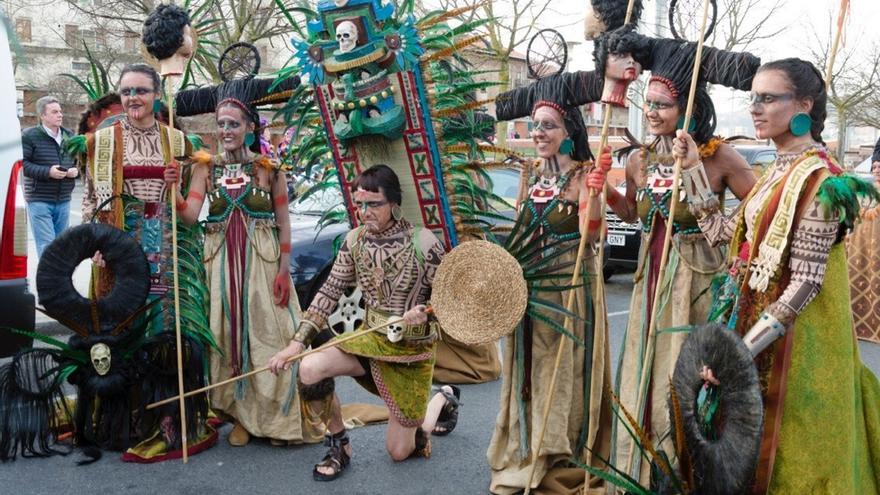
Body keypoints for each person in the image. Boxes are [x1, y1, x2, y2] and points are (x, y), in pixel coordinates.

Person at [674, 57, 880, 493]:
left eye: (768, 98)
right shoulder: (774, 172)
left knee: (788, 462)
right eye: (753, 98)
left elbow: (805, 282)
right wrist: (694, 169)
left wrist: (737, 355)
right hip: (747, 326)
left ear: (805, 104)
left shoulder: (823, 182)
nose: (756, 108)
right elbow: (720, 235)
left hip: (798, 351)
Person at [596, 35, 760, 482]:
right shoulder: (639, 161)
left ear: (688, 108)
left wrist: (732, 254)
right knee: (648, 370)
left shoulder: (719, 156)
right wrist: (604, 190)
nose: (652, 112)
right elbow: (633, 213)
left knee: (688, 374)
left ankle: (688, 475)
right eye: (648, 103)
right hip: (650, 274)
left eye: (663, 104)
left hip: (697, 278)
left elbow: (760, 211)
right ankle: (644, 472)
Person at [268, 164, 458, 481]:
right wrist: (296, 344)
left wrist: (425, 309)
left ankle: (441, 398)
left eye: (374, 204)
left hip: (409, 352)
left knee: (400, 452)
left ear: (394, 203)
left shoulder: (423, 243)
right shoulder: (354, 241)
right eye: (359, 204)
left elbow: (452, 301)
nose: (364, 212)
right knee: (309, 368)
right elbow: (328, 293)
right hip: (370, 340)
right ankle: (339, 443)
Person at [79, 63, 217, 462]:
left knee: (166, 329)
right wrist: (95, 241)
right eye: (125, 92)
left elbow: (190, 211)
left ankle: (169, 420)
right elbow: (91, 197)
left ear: (157, 94)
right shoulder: (103, 139)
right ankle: (126, 420)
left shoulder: (179, 141)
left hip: (168, 242)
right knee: (123, 328)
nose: (132, 99)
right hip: (118, 242)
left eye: (140, 90)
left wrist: (175, 184)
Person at [488, 79, 612, 493]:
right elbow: (519, 230)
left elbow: (591, 237)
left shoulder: (582, 177)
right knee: (530, 371)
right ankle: (529, 444)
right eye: (534, 124)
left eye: (548, 125)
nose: (538, 132)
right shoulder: (529, 174)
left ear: (569, 133)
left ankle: (559, 448)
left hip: (569, 287)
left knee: (563, 372)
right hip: (530, 289)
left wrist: (594, 198)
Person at [169, 92, 311, 447]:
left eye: (234, 124)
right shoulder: (205, 167)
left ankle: (277, 421)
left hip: (262, 268)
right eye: (221, 125)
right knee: (226, 337)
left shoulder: (268, 169)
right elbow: (188, 215)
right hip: (219, 266)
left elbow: (284, 223)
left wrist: (283, 269)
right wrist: (173, 187)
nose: (227, 130)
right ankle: (240, 418)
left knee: (270, 337)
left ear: (249, 127)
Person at [22, 95, 77, 257]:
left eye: (60, 111)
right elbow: (23, 165)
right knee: (47, 245)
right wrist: (48, 172)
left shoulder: (70, 136)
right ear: (42, 116)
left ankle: (58, 280)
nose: (60, 115)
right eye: (54, 112)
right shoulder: (29, 136)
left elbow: (79, 161)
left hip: (64, 199)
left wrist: (75, 171)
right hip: (39, 200)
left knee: (61, 245)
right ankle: (49, 281)